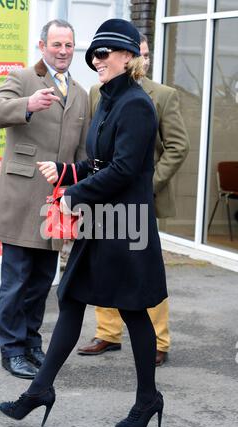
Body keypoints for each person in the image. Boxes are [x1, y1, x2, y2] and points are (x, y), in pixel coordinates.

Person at [0, 19, 167, 427]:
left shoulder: (136, 104)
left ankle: (148, 398)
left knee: (132, 312)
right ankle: (40, 391)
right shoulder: (107, 99)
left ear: (128, 57)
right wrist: (66, 171)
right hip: (100, 223)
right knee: (71, 299)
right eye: (93, 53)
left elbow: (126, 170)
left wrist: (73, 195)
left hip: (125, 226)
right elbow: (100, 163)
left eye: (105, 52)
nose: (97, 59)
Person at [0, 20, 89, 380]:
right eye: (56, 44)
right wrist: (26, 104)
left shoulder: (82, 94)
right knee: (15, 282)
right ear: (42, 45)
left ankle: (31, 343)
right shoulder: (23, 78)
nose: (62, 51)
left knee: (43, 281)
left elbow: (82, 152)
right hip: (21, 199)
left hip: (55, 206)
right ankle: (11, 350)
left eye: (69, 46)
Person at [77, 34, 190, 366]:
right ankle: (108, 334)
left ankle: (158, 340)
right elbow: (97, 146)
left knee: (143, 270)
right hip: (107, 196)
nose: (142, 60)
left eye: (145, 54)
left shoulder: (163, 96)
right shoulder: (98, 91)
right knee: (105, 262)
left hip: (140, 198)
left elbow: (177, 147)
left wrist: (148, 185)